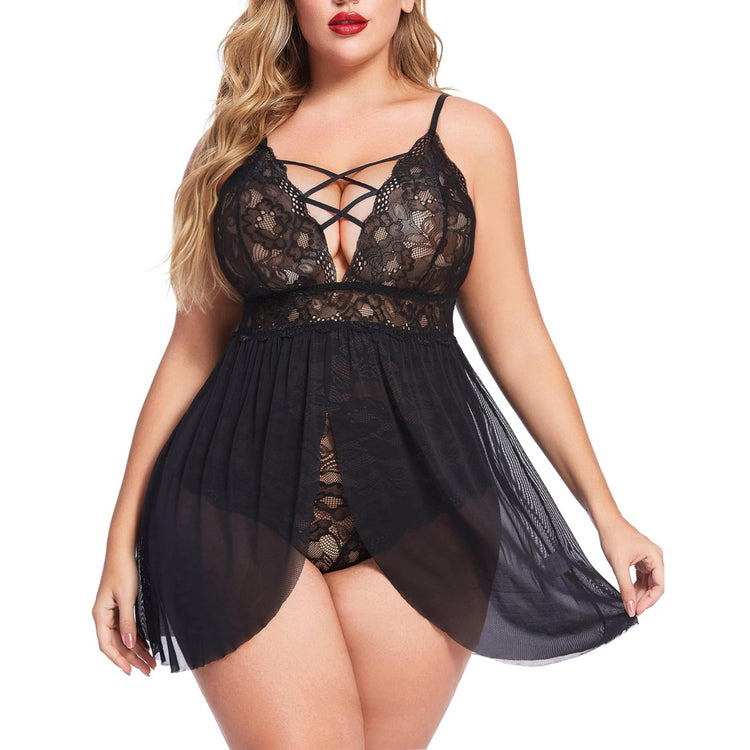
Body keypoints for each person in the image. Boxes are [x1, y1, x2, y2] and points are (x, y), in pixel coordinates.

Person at [92, 1, 665, 748]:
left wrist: (607, 514)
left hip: (430, 502)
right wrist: (120, 539)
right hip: (235, 499)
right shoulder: (230, 145)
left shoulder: (470, 135)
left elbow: (519, 339)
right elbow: (192, 347)